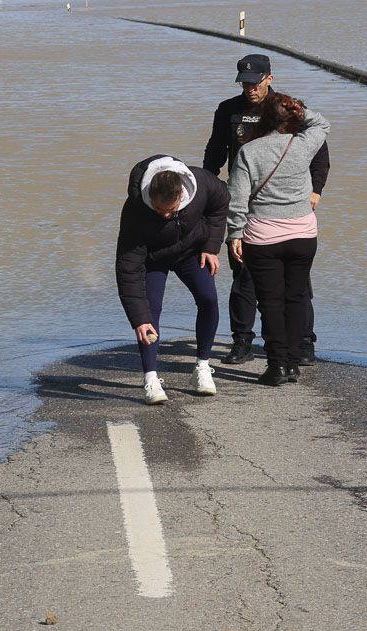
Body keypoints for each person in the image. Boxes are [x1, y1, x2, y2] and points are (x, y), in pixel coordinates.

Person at [203, 53, 331, 366]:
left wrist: (315, 191)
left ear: (269, 78)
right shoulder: (229, 110)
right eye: (244, 83)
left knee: (296, 285)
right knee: (244, 277)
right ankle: (242, 342)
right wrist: (210, 191)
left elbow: (320, 155)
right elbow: (214, 154)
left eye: (255, 82)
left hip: (290, 207)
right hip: (245, 202)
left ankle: (303, 345)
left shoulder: (288, 109)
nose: (250, 88)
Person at [226, 93, 331, 386]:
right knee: (296, 297)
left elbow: (237, 197)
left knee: (270, 302)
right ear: (293, 118)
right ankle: (294, 362)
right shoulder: (303, 145)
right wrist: (303, 110)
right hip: (302, 234)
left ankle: (277, 366)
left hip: (263, 236)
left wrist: (235, 232)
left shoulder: (250, 150)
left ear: (264, 119)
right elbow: (323, 125)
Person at [115, 155, 230, 405]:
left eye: (171, 209)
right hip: (153, 260)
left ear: (182, 195)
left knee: (208, 299)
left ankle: (202, 367)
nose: (166, 215)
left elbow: (221, 201)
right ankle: (151, 378)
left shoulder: (200, 183)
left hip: (190, 252)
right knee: (149, 314)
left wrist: (211, 246)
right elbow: (128, 267)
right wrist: (138, 318)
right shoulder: (135, 211)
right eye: (159, 211)